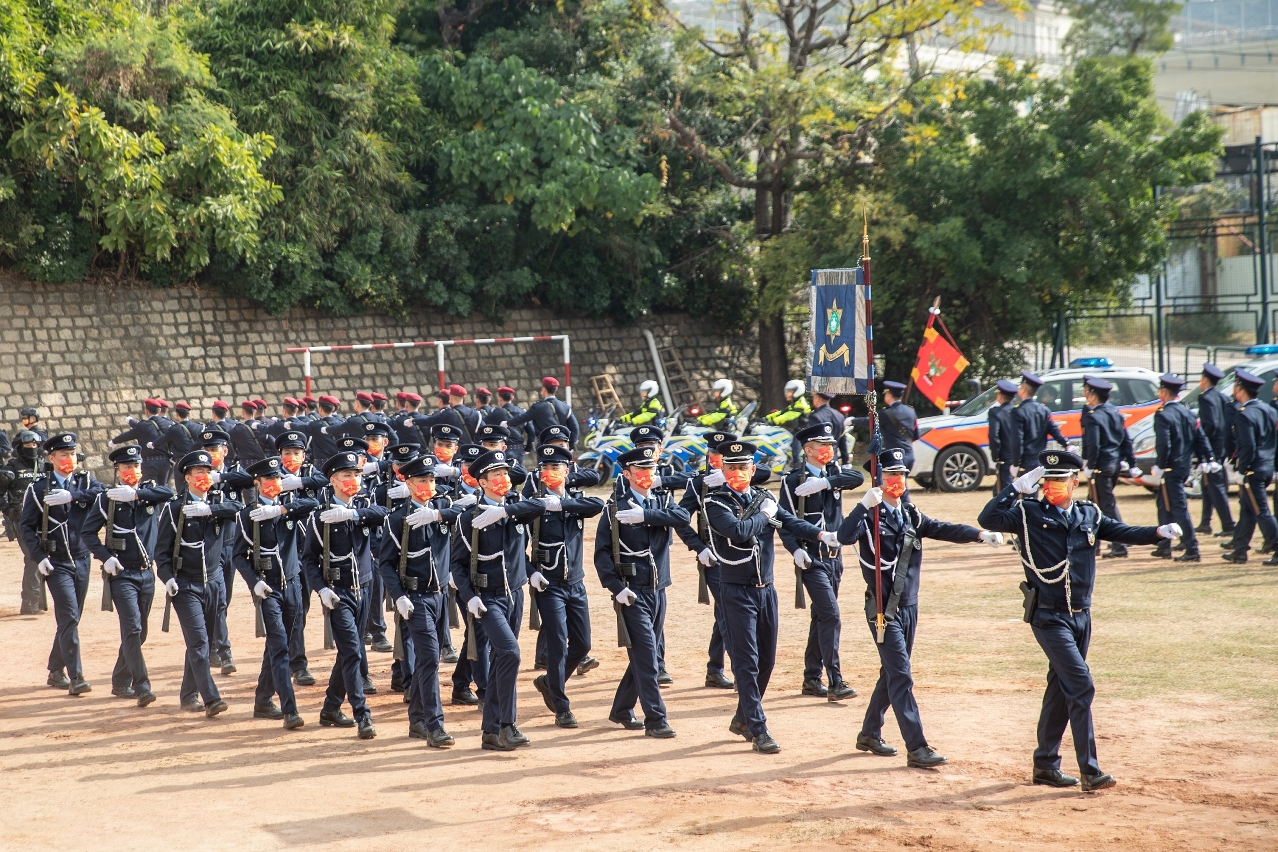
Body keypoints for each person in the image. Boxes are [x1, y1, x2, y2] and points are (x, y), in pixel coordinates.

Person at [979, 450, 1176, 790]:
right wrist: (1016, 488)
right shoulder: (1027, 513)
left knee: (1061, 687)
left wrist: (1158, 532)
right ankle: (1090, 771)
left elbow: (1123, 532)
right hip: (1048, 616)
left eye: (1060, 481)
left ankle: (1045, 765)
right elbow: (988, 519)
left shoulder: (1089, 513)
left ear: (1074, 482)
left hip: (1081, 615)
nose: (1052, 486)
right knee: (1081, 685)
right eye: (1048, 481)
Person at [838, 447, 999, 766]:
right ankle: (917, 747)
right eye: (890, 475)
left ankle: (869, 732)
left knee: (892, 672)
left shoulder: (910, 513)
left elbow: (943, 528)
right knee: (901, 675)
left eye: (901, 475)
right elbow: (844, 537)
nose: (897, 480)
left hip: (909, 607)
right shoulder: (870, 516)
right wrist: (862, 505)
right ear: (877, 480)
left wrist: (979, 534)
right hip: (883, 609)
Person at [704, 440, 831, 754]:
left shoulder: (763, 498)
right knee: (746, 663)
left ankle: (743, 718)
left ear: (752, 469)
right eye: (731, 467)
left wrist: (820, 534)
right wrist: (765, 515)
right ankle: (758, 729)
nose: (737, 472)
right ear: (722, 469)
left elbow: (788, 521)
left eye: (743, 467)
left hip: (766, 590)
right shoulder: (716, 502)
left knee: (767, 661)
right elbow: (739, 531)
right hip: (736, 591)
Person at [451, 449, 547, 750]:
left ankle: (490, 731)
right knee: (510, 653)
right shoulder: (470, 517)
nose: (504, 478)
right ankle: (507, 724)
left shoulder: (515, 508)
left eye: (505, 473)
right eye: (496, 474)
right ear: (482, 482)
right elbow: (457, 564)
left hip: (514, 594)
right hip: (487, 598)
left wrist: (504, 512)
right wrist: (469, 597)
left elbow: (541, 504)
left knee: (501, 661)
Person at [594, 447, 686, 739]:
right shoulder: (615, 508)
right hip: (632, 593)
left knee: (644, 654)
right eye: (641, 470)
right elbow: (602, 554)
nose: (648, 474)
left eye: (651, 469)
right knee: (647, 658)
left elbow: (683, 517)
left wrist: (645, 515)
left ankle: (622, 709)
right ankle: (656, 719)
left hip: (658, 590)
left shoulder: (662, 500)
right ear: (627, 474)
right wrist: (616, 588)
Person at [301, 450, 389, 739]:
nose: (353, 480)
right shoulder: (321, 516)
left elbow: (383, 514)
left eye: (356, 475)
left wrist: (353, 513)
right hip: (338, 593)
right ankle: (363, 715)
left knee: (349, 651)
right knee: (353, 651)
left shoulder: (362, 507)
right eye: (347, 475)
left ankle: (330, 707)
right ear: (333, 481)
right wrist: (322, 589)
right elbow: (309, 559)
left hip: (365, 587)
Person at [778, 422, 865, 701]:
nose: (829, 450)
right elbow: (783, 520)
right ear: (808, 450)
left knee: (821, 617)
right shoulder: (793, 480)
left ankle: (811, 678)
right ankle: (835, 681)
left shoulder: (834, 473)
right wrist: (794, 550)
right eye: (823, 446)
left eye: (831, 445)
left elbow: (858, 477)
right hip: (811, 557)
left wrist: (826, 482)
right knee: (830, 615)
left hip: (835, 557)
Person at [379, 454, 462, 746]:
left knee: (431, 658)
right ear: (409, 483)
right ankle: (434, 725)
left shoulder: (442, 509)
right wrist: (399, 596)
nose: (428, 485)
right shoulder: (397, 519)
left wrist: (438, 515)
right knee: (428, 659)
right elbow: (386, 563)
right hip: (415, 599)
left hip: (440, 596)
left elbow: (468, 508)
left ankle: (416, 719)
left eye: (431, 479)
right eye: (422, 480)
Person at [674, 430, 767, 690]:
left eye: (721, 453)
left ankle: (715, 668)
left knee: (725, 614)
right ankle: (739, 673)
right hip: (715, 557)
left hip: (746, 557)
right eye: (714, 452)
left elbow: (764, 472)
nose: (716, 457)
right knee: (728, 616)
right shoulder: (700, 483)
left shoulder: (744, 473)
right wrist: (698, 547)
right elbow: (680, 519)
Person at [83, 445, 174, 706]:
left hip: (147, 573)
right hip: (122, 574)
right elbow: (88, 532)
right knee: (132, 628)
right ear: (117, 471)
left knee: (140, 632)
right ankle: (142, 686)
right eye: (126, 467)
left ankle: (120, 680)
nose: (132, 471)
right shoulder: (107, 499)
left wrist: (135, 494)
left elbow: (168, 492)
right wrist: (106, 557)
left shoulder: (148, 493)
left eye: (135, 466)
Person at [154, 450, 244, 716]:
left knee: (202, 642)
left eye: (208, 471)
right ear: (188, 478)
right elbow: (161, 551)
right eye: (199, 472)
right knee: (199, 643)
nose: (205, 476)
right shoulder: (175, 509)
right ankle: (211, 699)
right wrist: (168, 578)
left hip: (214, 582)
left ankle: (188, 694)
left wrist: (210, 509)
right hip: (186, 585)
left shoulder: (218, 503)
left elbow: (239, 508)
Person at [232, 457, 317, 730]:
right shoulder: (248, 514)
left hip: (293, 585)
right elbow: (238, 555)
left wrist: (280, 509)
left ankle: (262, 699)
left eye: (278, 478)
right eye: (269, 479)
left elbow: (313, 503)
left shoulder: (288, 508)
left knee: (281, 644)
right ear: (257, 483)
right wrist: (254, 582)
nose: (274, 483)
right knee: (280, 647)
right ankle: (290, 709)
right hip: (268, 588)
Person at [19, 432, 105, 695]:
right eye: (64, 455)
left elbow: (103, 492)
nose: (70, 459)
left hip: (82, 558)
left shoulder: (85, 481)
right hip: (56, 562)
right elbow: (26, 527)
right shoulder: (38, 488)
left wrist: (73, 496)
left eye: (72, 454)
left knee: (73, 617)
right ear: (51, 458)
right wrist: (39, 557)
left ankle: (55, 669)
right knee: (68, 616)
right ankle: (76, 676)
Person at [527, 444, 605, 728]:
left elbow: (597, 505)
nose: (550, 472)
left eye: (556, 467)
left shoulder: (575, 501)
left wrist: (561, 504)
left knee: (583, 644)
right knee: (558, 645)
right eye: (546, 468)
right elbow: (515, 548)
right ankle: (562, 707)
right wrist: (530, 573)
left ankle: (549, 682)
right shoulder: (533, 504)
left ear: (568, 470)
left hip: (575, 584)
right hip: (549, 585)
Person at [275, 429, 327, 686]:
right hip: (288, 551)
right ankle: (297, 664)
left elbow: (323, 483)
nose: (292, 457)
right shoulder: (272, 476)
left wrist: (299, 483)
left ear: (304, 455)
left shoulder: (311, 475)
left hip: (314, 551)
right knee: (295, 609)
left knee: (307, 609)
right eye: (287, 453)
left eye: (297, 453)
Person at [1148, 373, 1214, 563]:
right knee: (1164, 505)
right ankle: (1164, 544)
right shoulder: (1187, 413)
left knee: (1178, 508)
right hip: (1184, 465)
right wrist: (1207, 457)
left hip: (1171, 467)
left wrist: (1161, 465)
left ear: (1163, 392)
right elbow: (1200, 438)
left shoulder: (1163, 414)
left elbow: (1164, 444)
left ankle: (1192, 547)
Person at [1078, 376, 1140, 559]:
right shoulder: (1115, 413)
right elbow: (1126, 440)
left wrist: (1090, 465)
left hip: (1101, 465)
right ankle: (1092, 544)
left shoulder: (1093, 416)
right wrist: (1131, 462)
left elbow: (1094, 444)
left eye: (1087, 392)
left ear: (1093, 395)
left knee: (1106, 506)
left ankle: (1120, 543)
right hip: (1113, 464)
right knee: (1092, 504)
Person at [1222, 369, 1278, 565]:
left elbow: (1248, 446)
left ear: (1240, 389)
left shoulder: (1244, 414)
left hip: (1253, 469)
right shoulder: (1269, 410)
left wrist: (1242, 470)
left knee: (1261, 512)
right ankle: (1240, 550)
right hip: (1266, 466)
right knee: (1248, 510)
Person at [1, 431, 45, 613]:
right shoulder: (11, 468)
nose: (32, 448)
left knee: (41, 557)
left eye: (35, 445)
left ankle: (34, 600)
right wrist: (7, 509)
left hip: (43, 519)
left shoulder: (43, 465)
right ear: (20, 447)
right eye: (28, 445)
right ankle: (30, 602)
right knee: (33, 557)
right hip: (21, 520)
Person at [849, 381, 918, 482]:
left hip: (895, 457)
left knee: (895, 487)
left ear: (889, 395)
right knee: (899, 486)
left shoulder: (887, 413)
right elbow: (916, 435)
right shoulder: (911, 411)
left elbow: (870, 421)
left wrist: (852, 421)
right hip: (909, 455)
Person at [1196, 364, 1235, 537]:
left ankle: (1228, 525)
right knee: (1207, 485)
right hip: (1221, 447)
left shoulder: (1205, 398)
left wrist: (1202, 441)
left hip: (1210, 447)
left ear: (1205, 380)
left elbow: (1210, 425)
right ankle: (1205, 522)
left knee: (1215, 486)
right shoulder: (1222, 397)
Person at [1006, 371, 1068, 476]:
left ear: (1023, 389)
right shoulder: (1044, 410)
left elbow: (1017, 440)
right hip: (1039, 459)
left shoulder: (1017, 411)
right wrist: (1066, 444)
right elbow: (1054, 430)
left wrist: (1016, 463)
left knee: (1027, 486)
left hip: (1025, 461)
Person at [109, 399, 172, 486]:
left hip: (150, 463)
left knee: (149, 489)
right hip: (166, 462)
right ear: (159, 410)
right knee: (162, 489)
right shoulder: (169, 424)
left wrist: (114, 441)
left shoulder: (143, 425)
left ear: (146, 411)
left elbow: (128, 435)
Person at [506, 377, 579, 448]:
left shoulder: (538, 407)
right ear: (556, 389)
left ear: (544, 389)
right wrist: (571, 443)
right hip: (561, 444)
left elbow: (523, 418)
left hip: (545, 444)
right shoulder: (565, 407)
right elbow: (574, 427)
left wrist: (508, 423)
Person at [766, 379, 813, 465]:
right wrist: (766, 418)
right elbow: (782, 412)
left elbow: (789, 415)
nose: (787, 394)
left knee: (795, 453)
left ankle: (798, 467)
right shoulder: (796, 402)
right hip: (797, 430)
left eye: (790, 391)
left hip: (803, 432)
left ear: (797, 391)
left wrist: (773, 421)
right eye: (787, 391)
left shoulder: (801, 404)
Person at [986, 380, 1020, 495]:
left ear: (1000, 396)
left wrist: (996, 456)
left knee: (1004, 494)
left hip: (1005, 458)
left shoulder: (996, 412)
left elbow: (994, 436)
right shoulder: (1019, 411)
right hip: (1020, 456)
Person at [295, 395, 345, 467]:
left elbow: (302, 428)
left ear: (320, 409)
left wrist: (290, 424)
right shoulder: (340, 423)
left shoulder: (315, 425)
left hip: (321, 463)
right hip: (337, 460)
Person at [807, 390, 850, 465]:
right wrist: (845, 462)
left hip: (819, 461)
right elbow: (842, 443)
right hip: (834, 461)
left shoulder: (815, 416)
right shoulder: (839, 416)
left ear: (817, 398)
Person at [496, 386, 535, 460]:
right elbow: (532, 432)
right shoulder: (523, 412)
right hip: (519, 451)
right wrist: (528, 448)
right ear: (512, 398)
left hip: (504, 450)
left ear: (499, 399)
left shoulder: (497, 412)